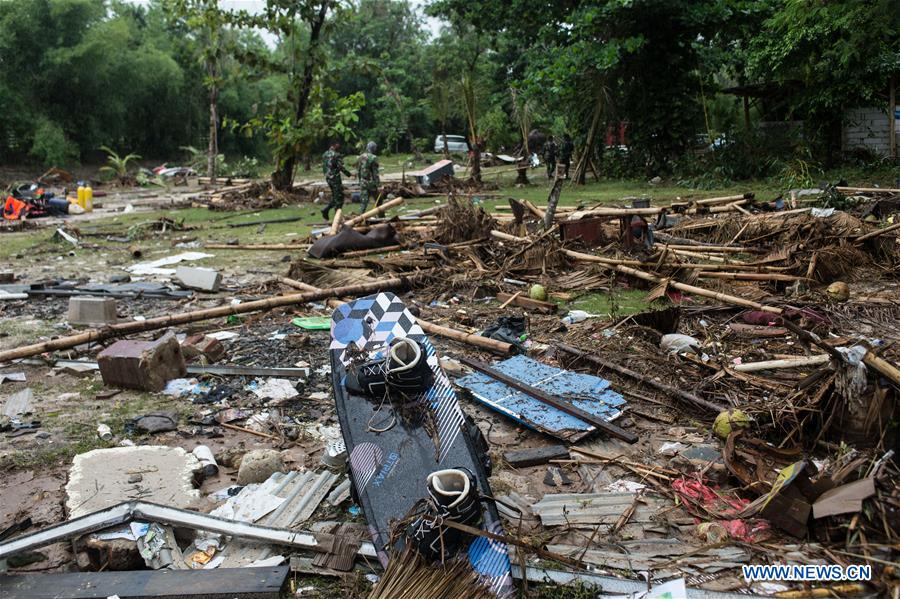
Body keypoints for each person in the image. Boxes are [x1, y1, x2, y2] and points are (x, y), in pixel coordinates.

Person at [321, 140, 351, 221]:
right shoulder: (336, 155)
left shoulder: (325, 154)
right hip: (335, 179)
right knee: (339, 198)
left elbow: (324, 167)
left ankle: (327, 211)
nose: (339, 145)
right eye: (338, 144)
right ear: (335, 145)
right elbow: (341, 167)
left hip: (328, 178)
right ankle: (336, 218)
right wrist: (349, 174)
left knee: (336, 196)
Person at [357, 141, 380, 213]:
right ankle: (381, 217)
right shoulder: (373, 158)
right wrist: (378, 185)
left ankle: (360, 217)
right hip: (371, 183)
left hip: (363, 181)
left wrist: (360, 181)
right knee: (378, 200)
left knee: (364, 202)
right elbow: (375, 173)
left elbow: (359, 171)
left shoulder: (361, 157)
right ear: (373, 149)